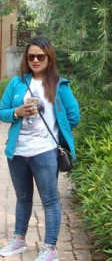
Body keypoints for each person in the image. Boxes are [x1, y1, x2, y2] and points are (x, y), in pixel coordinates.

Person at [0, 35, 80, 261]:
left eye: (40, 56)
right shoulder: (17, 83)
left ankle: (51, 249)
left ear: (49, 58)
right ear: (27, 58)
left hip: (45, 153)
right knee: (23, 197)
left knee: (49, 201)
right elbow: (1, 110)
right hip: (17, 152)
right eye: (31, 56)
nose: (35, 60)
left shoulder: (59, 84)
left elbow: (73, 116)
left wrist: (56, 131)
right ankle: (18, 240)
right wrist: (17, 112)